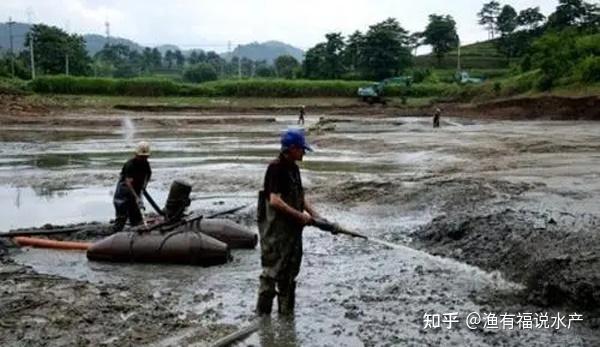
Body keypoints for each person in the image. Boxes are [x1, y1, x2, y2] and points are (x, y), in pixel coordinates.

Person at [256, 128, 320, 315]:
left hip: (292, 232)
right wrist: (300, 216)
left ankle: (286, 316)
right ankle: (263, 316)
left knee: (290, 273)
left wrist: (315, 215)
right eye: (301, 149)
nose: (304, 153)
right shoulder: (275, 168)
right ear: (291, 148)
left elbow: (300, 197)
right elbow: (275, 200)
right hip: (275, 232)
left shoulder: (294, 169)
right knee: (271, 273)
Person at [112, 141, 152, 232]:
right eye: (141, 157)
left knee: (136, 216)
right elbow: (128, 183)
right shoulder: (130, 165)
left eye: (145, 157)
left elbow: (148, 175)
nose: (143, 159)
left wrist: (143, 187)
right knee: (122, 217)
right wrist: (137, 197)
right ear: (136, 154)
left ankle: (136, 234)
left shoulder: (146, 164)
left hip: (136, 191)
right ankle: (115, 234)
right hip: (124, 194)